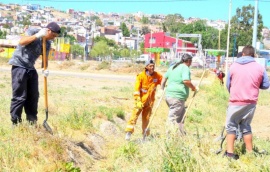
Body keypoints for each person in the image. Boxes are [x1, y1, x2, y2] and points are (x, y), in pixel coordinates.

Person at [8, 22, 61, 125]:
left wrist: (45, 70)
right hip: (19, 66)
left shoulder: (48, 43)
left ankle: (32, 122)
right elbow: (22, 42)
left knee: (33, 96)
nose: (53, 38)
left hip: (30, 68)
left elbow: (44, 61)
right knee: (20, 97)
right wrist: (37, 36)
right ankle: (16, 123)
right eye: (53, 35)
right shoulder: (33, 31)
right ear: (48, 31)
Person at [224, 45, 269, 160]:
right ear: (253, 55)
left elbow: (228, 84)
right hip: (251, 102)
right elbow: (266, 85)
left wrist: (234, 92)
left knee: (231, 126)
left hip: (236, 101)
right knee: (246, 126)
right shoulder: (259, 67)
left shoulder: (233, 66)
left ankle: (230, 153)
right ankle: (250, 153)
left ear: (242, 54)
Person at [125, 60, 163, 141]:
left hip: (149, 103)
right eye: (150, 66)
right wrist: (137, 100)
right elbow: (136, 90)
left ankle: (145, 136)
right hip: (140, 101)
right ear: (146, 67)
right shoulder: (141, 76)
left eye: (153, 66)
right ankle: (129, 132)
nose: (152, 67)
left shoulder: (157, 76)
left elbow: (164, 81)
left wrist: (161, 90)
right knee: (134, 116)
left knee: (146, 119)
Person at [160, 54, 197, 135]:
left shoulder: (173, 67)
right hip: (177, 97)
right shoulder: (185, 68)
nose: (191, 63)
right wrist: (193, 88)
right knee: (173, 117)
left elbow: (163, 79)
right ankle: (168, 136)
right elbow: (186, 81)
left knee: (181, 116)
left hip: (169, 96)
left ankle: (180, 134)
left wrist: (161, 90)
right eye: (191, 61)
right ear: (188, 61)